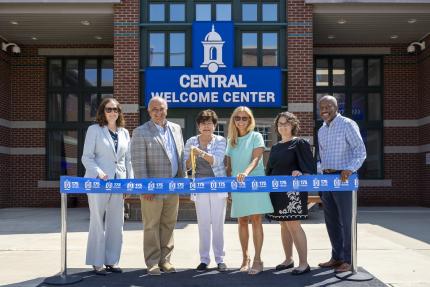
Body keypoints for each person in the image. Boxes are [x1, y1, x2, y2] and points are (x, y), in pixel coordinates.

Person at [130, 96, 184, 276]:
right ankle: (152, 262)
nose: (158, 113)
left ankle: (166, 260)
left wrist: (182, 181)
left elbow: (180, 155)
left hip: (173, 187)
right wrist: (145, 187)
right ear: (149, 112)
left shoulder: (176, 129)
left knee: (169, 224)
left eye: (161, 109)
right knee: (151, 225)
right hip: (151, 189)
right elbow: (138, 163)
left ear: (166, 109)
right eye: (154, 109)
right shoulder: (140, 132)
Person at [82, 98, 133, 275]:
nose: (113, 112)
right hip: (98, 183)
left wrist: (129, 182)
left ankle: (112, 260)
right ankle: (97, 262)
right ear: (103, 112)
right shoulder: (94, 130)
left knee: (117, 223)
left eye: (116, 109)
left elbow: (128, 160)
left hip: (119, 183)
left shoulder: (125, 133)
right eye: (109, 109)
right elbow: (86, 157)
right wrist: (99, 172)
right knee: (97, 221)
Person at [317, 95, 366, 273]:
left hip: (344, 179)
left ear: (336, 107)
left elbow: (360, 151)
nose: (324, 109)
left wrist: (350, 169)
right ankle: (336, 257)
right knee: (331, 221)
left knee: (346, 221)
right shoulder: (321, 130)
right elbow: (322, 158)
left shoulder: (347, 124)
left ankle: (348, 259)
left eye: (329, 105)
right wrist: (319, 172)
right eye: (321, 106)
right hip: (327, 180)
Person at [225, 106, 274, 275]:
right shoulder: (231, 139)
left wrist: (245, 173)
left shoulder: (256, 136)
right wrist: (230, 189)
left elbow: (256, 158)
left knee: (256, 220)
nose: (240, 121)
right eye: (237, 118)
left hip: (254, 182)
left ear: (250, 120)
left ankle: (258, 260)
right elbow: (229, 167)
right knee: (242, 221)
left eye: (244, 118)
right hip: (237, 183)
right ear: (233, 120)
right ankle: (245, 258)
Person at [266, 112, 315, 275]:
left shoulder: (300, 143)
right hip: (277, 191)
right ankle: (288, 259)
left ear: (293, 125)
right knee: (283, 225)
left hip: (293, 191)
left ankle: (304, 263)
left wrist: (300, 173)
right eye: (279, 124)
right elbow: (271, 170)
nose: (282, 126)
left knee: (294, 225)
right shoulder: (275, 146)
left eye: (286, 123)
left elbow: (308, 168)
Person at [183, 110, 228, 272]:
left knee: (218, 224)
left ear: (215, 125)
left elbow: (216, 160)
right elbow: (186, 166)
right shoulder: (191, 141)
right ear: (198, 126)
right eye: (203, 123)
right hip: (199, 186)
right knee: (203, 224)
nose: (206, 126)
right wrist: (191, 157)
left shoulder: (221, 140)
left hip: (217, 185)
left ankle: (220, 259)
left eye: (209, 123)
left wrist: (200, 152)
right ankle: (204, 259)